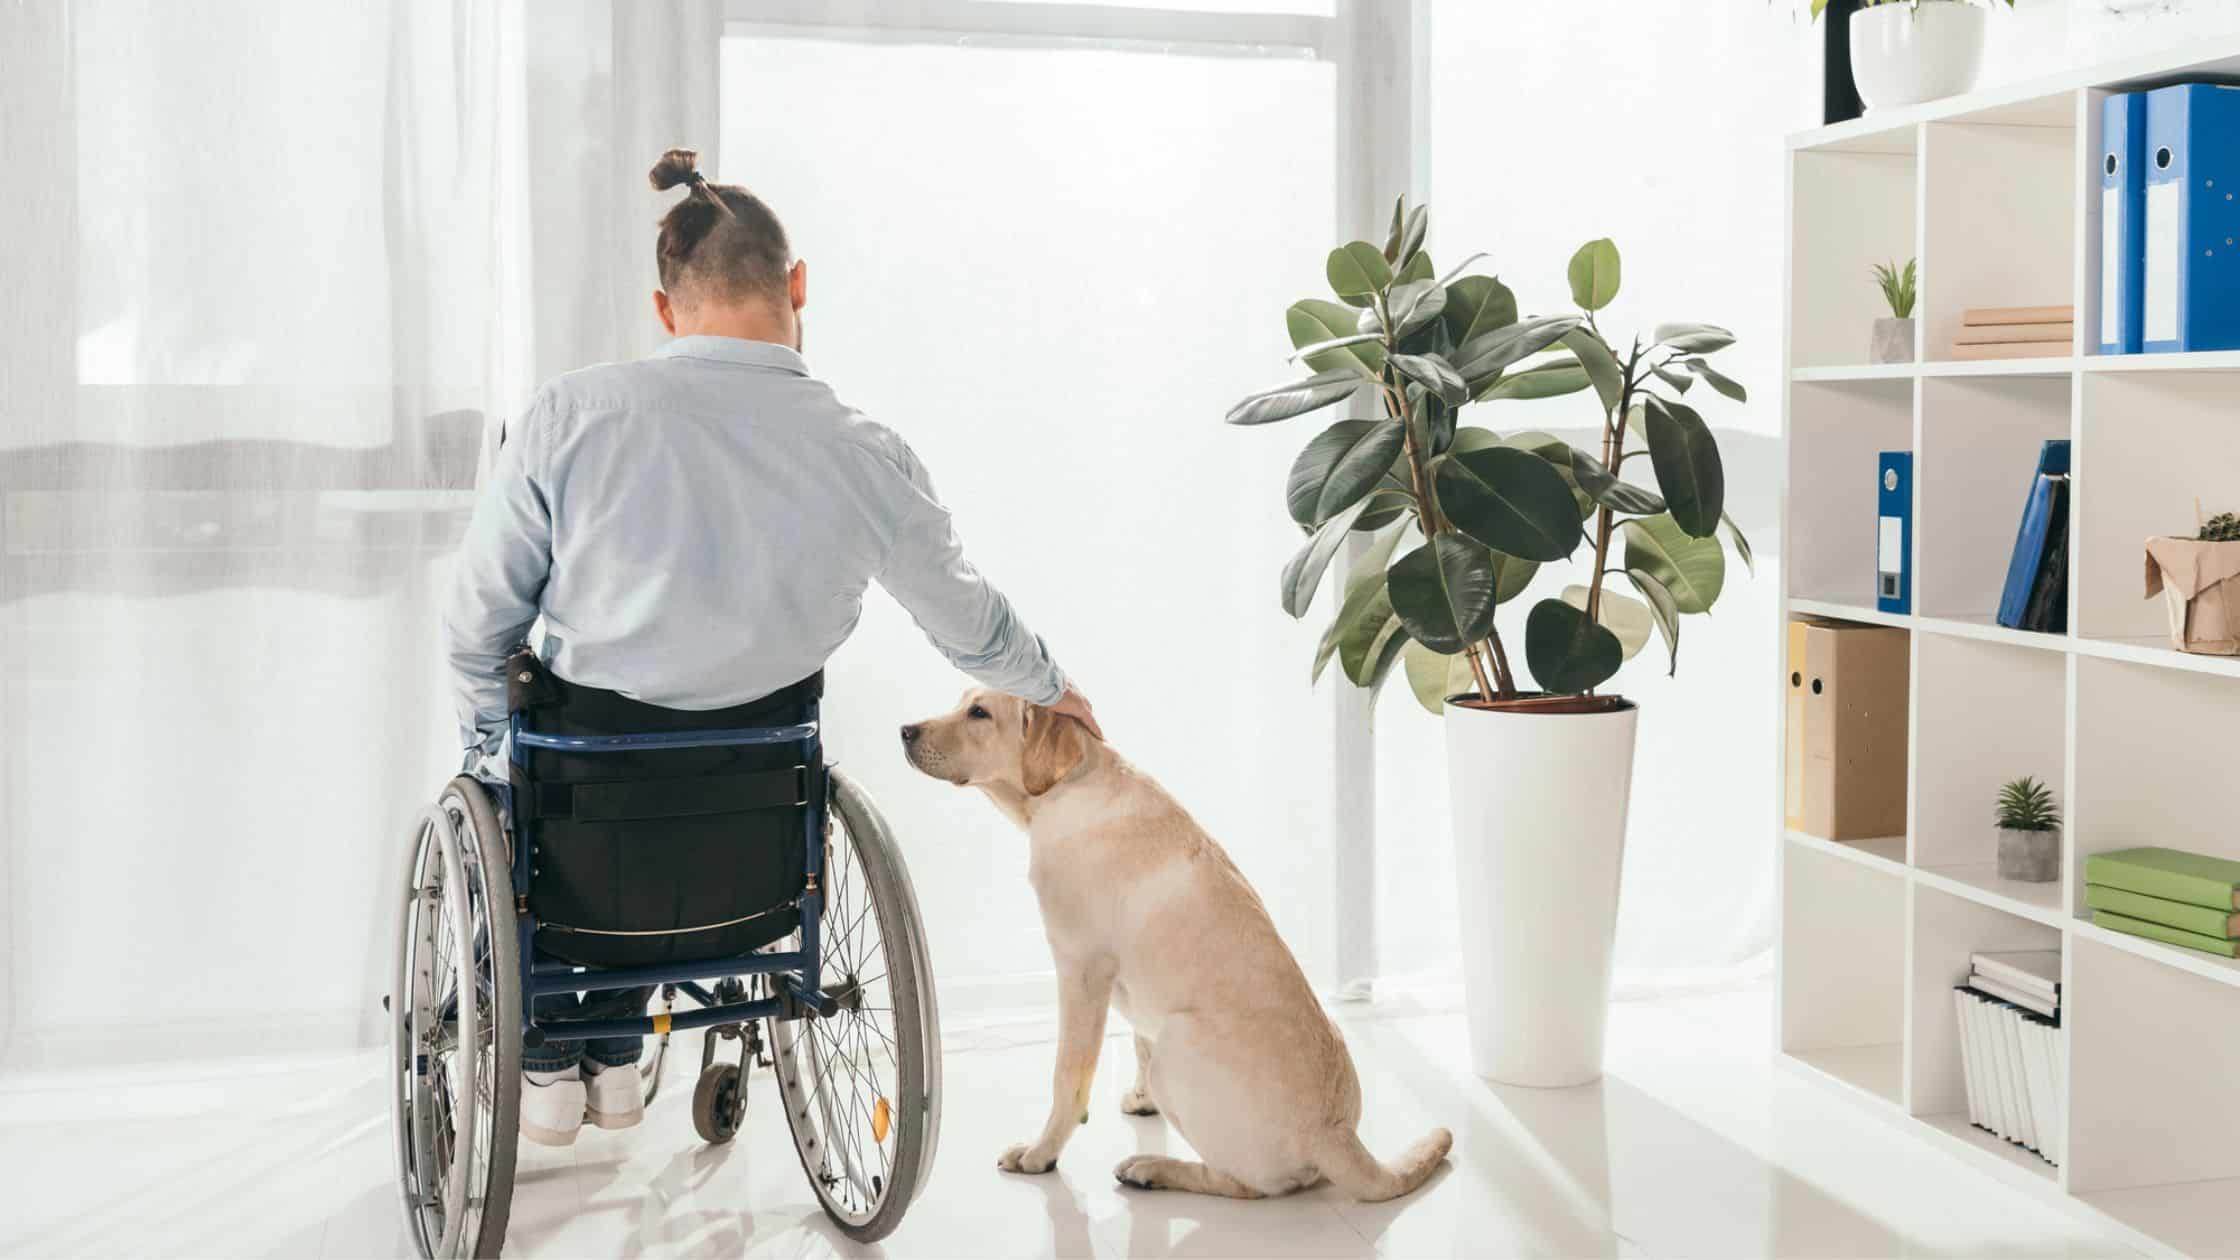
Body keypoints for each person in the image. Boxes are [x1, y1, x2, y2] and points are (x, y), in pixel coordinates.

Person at [441, 148, 1099, 1148]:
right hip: (754, 847)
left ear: (665, 310)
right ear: (796, 286)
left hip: (581, 828)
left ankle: (564, 1057)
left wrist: (487, 748)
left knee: (520, 781)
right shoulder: (866, 452)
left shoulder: (570, 417)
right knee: (646, 793)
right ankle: (616, 1051)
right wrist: (1054, 689)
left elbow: (477, 624)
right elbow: (965, 621)